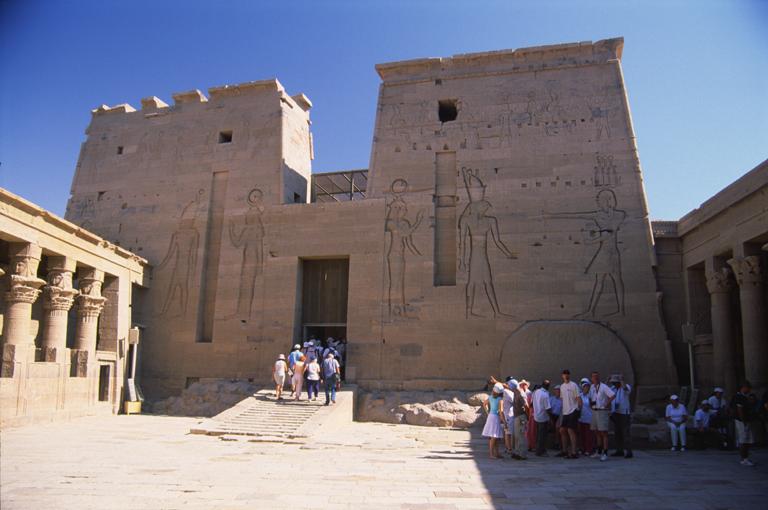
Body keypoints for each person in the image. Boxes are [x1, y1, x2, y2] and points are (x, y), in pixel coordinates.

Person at [588, 371, 615, 461]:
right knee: (596, 432)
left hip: (602, 411)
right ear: (591, 378)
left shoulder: (604, 387)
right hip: (594, 411)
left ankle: (605, 452)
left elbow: (612, 395)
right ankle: (599, 451)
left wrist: (607, 404)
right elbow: (591, 397)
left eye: (596, 376)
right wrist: (591, 403)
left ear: (599, 378)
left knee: (604, 433)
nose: (595, 378)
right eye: (593, 377)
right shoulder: (592, 387)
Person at [558, 369, 582, 459]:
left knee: (571, 430)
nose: (566, 376)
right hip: (565, 412)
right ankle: (564, 451)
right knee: (562, 430)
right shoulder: (562, 386)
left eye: (567, 374)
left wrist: (578, 410)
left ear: (569, 375)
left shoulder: (574, 385)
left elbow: (579, 398)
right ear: (562, 376)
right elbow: (561, 399)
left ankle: (574, 452)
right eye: (564, 374)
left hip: (573, 410)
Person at [732, 381, 755, 466]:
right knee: (743, 440)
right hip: (741, 421)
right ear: (743, 387)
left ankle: (746, 458)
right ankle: (743, 459)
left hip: (746, 421)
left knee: (747, 440)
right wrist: (743, 420)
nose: (749, 389)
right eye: (748, 388)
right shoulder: (739, 397)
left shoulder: (745, 397)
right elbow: (740, 410)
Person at [609, 373, 633, 458]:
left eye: (615, 382)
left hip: (624, 414)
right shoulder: (613, 389)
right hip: (616, 413)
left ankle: (629, 451)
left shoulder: (625, 387)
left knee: (625, 433)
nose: (613, 384)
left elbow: (626, 390)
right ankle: (619, 450)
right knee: (617, 433)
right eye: (613, 382)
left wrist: (622, 380)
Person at [482, 383, 505, 459]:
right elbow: (501, 412)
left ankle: (496, 453)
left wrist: (487, 412)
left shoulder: (490, 397)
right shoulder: (500, 400)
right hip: (495, 418)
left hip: (491, 416)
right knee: (494, 437)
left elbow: (484, 404)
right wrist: (504, 421)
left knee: (495, 437)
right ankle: (491, 454)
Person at [533, 380, 552, 456]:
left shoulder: (536, 392)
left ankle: (537, 450)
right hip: (543, 417)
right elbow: (548, 408)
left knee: (538, 435)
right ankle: (541, 451)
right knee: (542, 436)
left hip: (536, 416)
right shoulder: (545, 395)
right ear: (548, 386)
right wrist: (551, 418)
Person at [578, 379, 595, 456]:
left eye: (588, 386)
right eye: (585, 387)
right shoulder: (580, 395)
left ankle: (589, 449)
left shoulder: (591, 396)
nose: (586, 388)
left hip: (589, 418)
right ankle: (582, 449)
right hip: (581, 418)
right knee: (582, 435)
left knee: (589, 435)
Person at [549, 385, 563, 454]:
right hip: (552, 416)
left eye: (559, 391)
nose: (558, 392)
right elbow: (549, 409)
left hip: (560, 416)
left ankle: (558, 443)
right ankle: (555, 443)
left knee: (558, 428)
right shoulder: (551, 399)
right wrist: (550, 418)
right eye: (556, 390)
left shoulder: (562, 399)